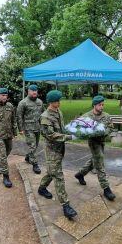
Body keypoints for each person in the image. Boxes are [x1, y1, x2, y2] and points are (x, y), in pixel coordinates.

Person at [37, 90, 77, 219]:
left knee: (51, 171)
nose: (60, 102)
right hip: (52, 149)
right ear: (52, 102)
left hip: (60, 147)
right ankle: (66, 205)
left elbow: (61, 128)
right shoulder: (45, 117)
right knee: (58, 176)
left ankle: (42, 188)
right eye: (58, 100)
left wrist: (73, 128)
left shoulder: (58, 112)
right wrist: (69, 137)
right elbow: (51, 135)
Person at [74, 95, 116, 201]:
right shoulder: (87, 116)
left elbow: (111, 127)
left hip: (102, 141)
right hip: (93, 142)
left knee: (95, 160)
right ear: (94, 105)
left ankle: (80, 174)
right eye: (99, 105)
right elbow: (78, 128)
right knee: (99, 163)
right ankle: (106, 189)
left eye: (103, 104)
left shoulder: (106, 116)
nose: (102, 107)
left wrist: (103, 132)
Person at [16, 84, 45, 174]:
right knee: (32, 146)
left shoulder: (40, 102)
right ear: (28, 91)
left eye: (35, 91)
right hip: (28, 128)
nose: (34, 92)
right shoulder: (23, 103)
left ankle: (28, 157)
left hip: (37, 127)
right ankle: (35, 164)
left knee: (35, 146)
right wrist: (21, 128)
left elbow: (43, 114)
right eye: (32, 91)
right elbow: (19, 116)